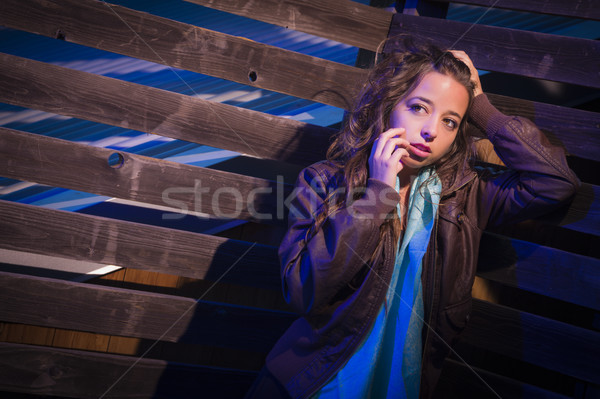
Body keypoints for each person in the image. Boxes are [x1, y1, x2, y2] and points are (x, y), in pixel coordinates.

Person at [244, 38, 579, 399]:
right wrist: (376, 195)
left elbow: (555, 183)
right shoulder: (323, 181)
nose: (432, 130)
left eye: (450, 121)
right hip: (311, 382)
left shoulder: (466, 195)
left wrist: (482, 108)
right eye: (419, 108)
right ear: (389, 106)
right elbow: (301, 290)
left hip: (403, 385)